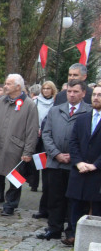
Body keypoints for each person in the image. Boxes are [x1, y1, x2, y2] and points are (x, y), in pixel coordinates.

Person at [39, 80, 88, 241]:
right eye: (69, 91)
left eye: (75, 91)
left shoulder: (88, 112)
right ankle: (54, 228)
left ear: (83, 93)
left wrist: (74, 157)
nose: (72, 94)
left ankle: (71, 231)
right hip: (55, 161)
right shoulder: (55, 110)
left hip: (76, 164)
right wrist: (56, 153)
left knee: (72, 199)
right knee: (54, 197)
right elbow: (46, 134)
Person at [0, 74, 39, 215]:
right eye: (5, 83)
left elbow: (32, 130)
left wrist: (28, 152)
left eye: (8, 84)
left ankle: (10, 204)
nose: (5, 86)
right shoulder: (0, 102)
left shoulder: (30, 105)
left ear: (18, 87)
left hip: (16, 148)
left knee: (15, 177)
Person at [67, 84, 101, 245]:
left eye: (99, 95)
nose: (96, 98)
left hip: (97, 171)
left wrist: (96, 165)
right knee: (75, 202)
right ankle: (73, 234)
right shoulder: (82, 119)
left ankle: (93, 239)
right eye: (94, 94)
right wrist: (78, 162)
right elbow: (73, 142)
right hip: (79, 169)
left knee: (96, 205)